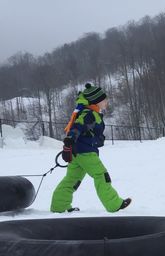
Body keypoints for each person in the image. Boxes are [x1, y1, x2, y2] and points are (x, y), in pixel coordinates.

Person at [50, 83, 131, 213]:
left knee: (72, 179)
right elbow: (78, 126)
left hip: (78, 153)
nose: (106, 101)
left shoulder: (91, 113)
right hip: (85, 152)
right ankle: (114, 204)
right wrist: (69, 141)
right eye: (104, 99)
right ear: (96, 101)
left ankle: (59, 206)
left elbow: (88, 131)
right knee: (101, 175)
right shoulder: (89, 114)